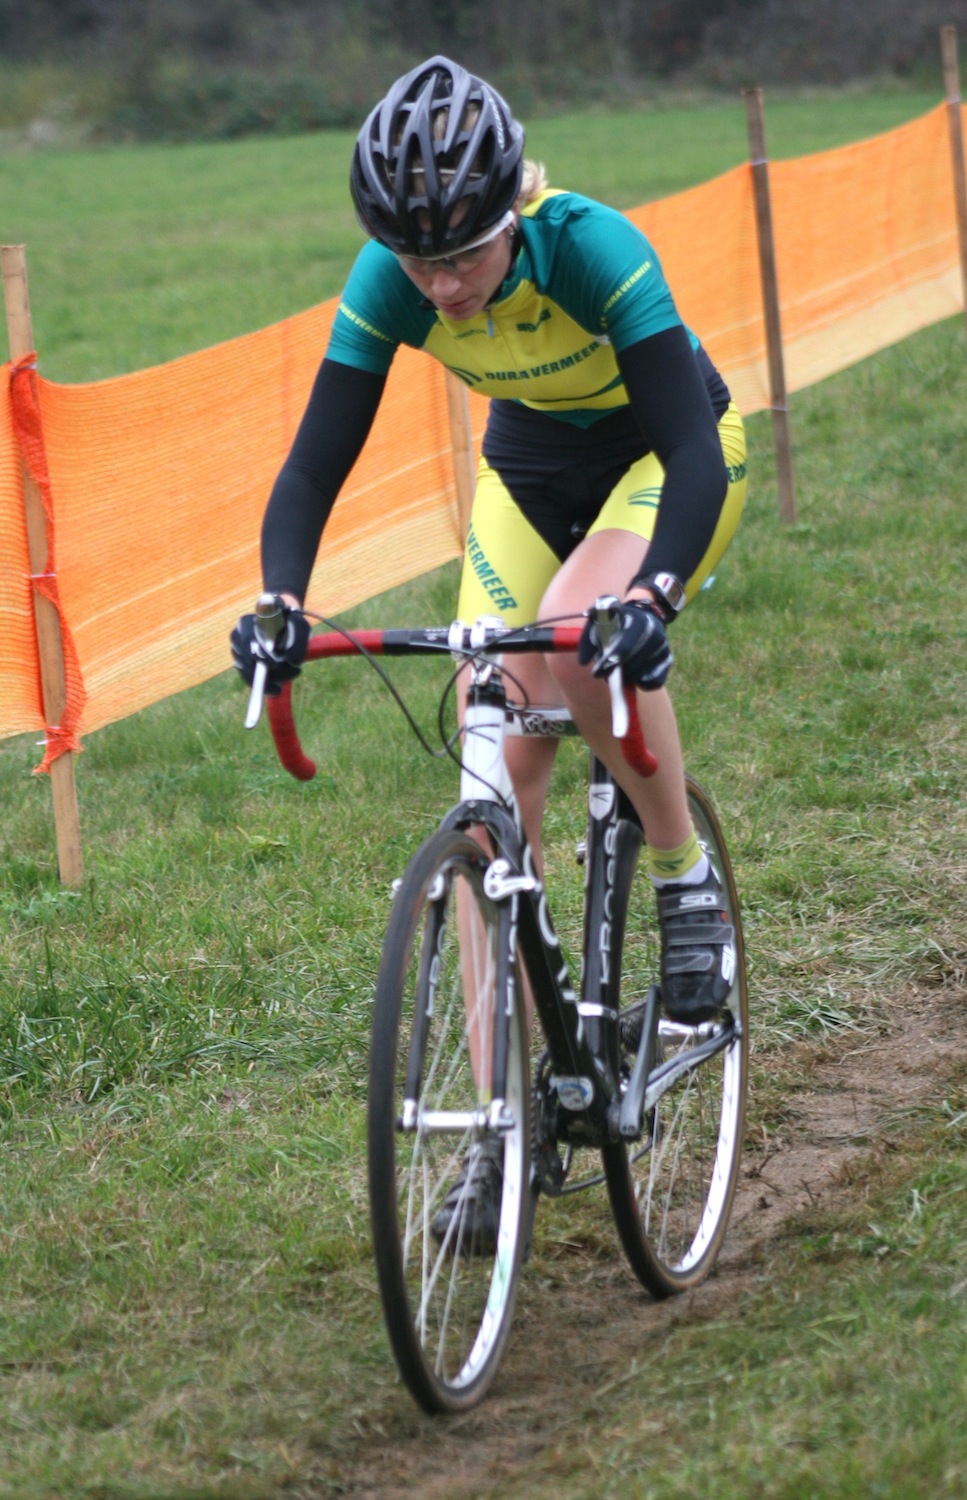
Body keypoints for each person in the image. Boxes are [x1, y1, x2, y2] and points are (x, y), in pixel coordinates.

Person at [232, 56, 746, 1218]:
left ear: (513, 208)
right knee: (490, 784)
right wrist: (282, 599)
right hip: (525, 478)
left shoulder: (592, 248)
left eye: (462, 253)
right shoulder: (393, 280)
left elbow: (695, 452)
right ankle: (497, 1128)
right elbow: (315, 463)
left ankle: (682, 876)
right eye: (420, 261)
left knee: (575, 641)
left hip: (662, 468)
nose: (443, 283)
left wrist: (651, 598)